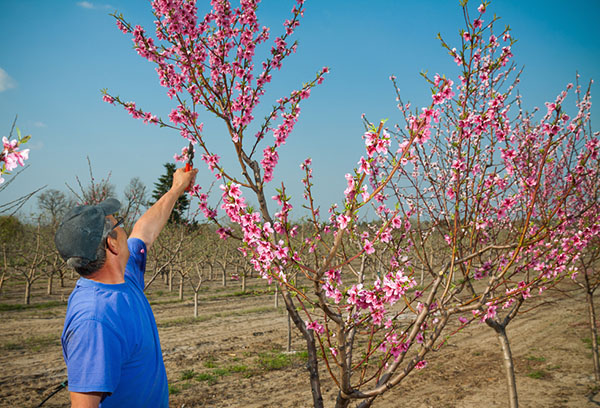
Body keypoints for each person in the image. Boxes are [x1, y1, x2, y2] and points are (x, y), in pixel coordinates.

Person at [55, 167, 198, 408]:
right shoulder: (94, 321)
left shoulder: (123, 275)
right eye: (118, 223)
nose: (126, 227)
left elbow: (146, 230)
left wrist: (177, 189)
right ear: (112, 244)